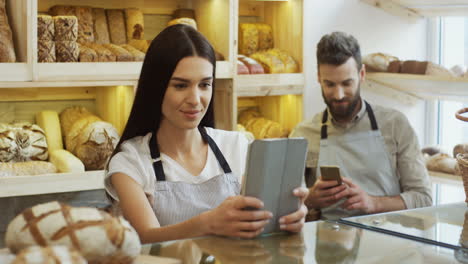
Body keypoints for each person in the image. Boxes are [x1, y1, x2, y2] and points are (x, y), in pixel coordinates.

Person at [104, 24, 308, 243]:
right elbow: (146, 237)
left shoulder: (237, 146)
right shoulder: (131, 162)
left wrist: (289, 216)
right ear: (156, 87)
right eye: (181, 86)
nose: (195, 99)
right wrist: (207, 223)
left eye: (204, 85)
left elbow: (260, 224)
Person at [290, 31, 432, 220]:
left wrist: (374, 203)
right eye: (329, 84)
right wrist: (310, 199)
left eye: (347, 83)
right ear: (318, 78)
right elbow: (284, 206)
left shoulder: (395, 125)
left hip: (390, 243)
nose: (338, 94)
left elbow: (423, 199)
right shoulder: (303, 133)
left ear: (362, 74)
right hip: (328, 244)